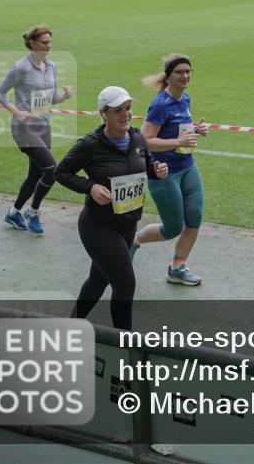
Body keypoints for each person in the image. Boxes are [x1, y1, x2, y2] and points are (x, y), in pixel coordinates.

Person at [55, 86, 167, 331]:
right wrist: (91, 187)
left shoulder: (138, 138)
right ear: (103, 113)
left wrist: (156, 173)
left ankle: (71, 326)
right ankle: (127, 347)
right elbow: (60, 172)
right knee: (125, 284)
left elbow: (146, 168)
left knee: (98, 279)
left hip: (128, 222)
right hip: (98, 225)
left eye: (128, 108)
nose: (126, 114)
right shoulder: (89, 144)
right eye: (118, 110)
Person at [130, 54, 209, 286]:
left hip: (187, 167)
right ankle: (135, 239)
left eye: (188, 72)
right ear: (168, 77)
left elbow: (178, 129)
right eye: (179, 72)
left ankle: (177, 268)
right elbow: (145, 140)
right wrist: (178, 143)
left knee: (194, 219)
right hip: (164, 173)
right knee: (173, 228)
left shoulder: (185, 99)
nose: (185, 76)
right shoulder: (160, 105)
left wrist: (196, 129)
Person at [0, 24, 73, 235]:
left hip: (43, 125)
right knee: (51, 170)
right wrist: (16, 111)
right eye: (44, 42)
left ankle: (14, 212)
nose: (48, 46)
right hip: (23, 128)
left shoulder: (52, 66)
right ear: (32, 43)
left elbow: (50, 98)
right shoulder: (20, 68)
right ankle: (33, 212)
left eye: (50, 42)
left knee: (34, 175)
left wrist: (63, 96)